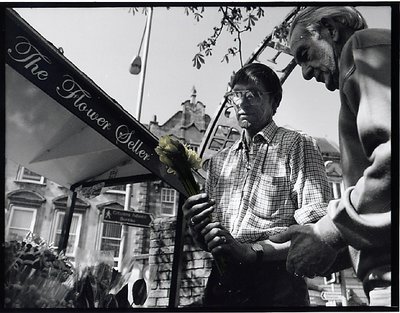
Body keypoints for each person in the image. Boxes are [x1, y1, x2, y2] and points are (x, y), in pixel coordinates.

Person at [270, 7, 392, 306]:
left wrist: (328, 232)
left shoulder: (361, 47)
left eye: (304, 54)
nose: (305, 72)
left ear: (330, 30)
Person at [182, 63, 332, 307]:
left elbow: (314, 231)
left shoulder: (297, 145)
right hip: (222, 282)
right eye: (235, 95)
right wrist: (197, 227)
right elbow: (209, 241)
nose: (240, 102)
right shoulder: (220, 162)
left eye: (251, 94)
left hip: (276, 283)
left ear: (274, 102)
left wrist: (253, 252)